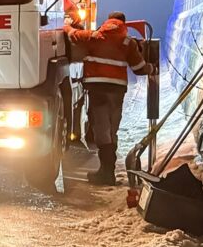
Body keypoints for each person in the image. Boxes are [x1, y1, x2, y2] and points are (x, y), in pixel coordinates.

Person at [66, 11, 156, 191]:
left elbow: (72, 35)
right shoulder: (127, 42)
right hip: (117, 91)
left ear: (108, 22)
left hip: (97, 89)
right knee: (112, 129)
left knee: (102, 130)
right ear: (123, 24)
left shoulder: (94, 36)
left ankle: (106, 173)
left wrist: (67, 24)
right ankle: (109, 171)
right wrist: (152, 68)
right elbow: (139, 68)